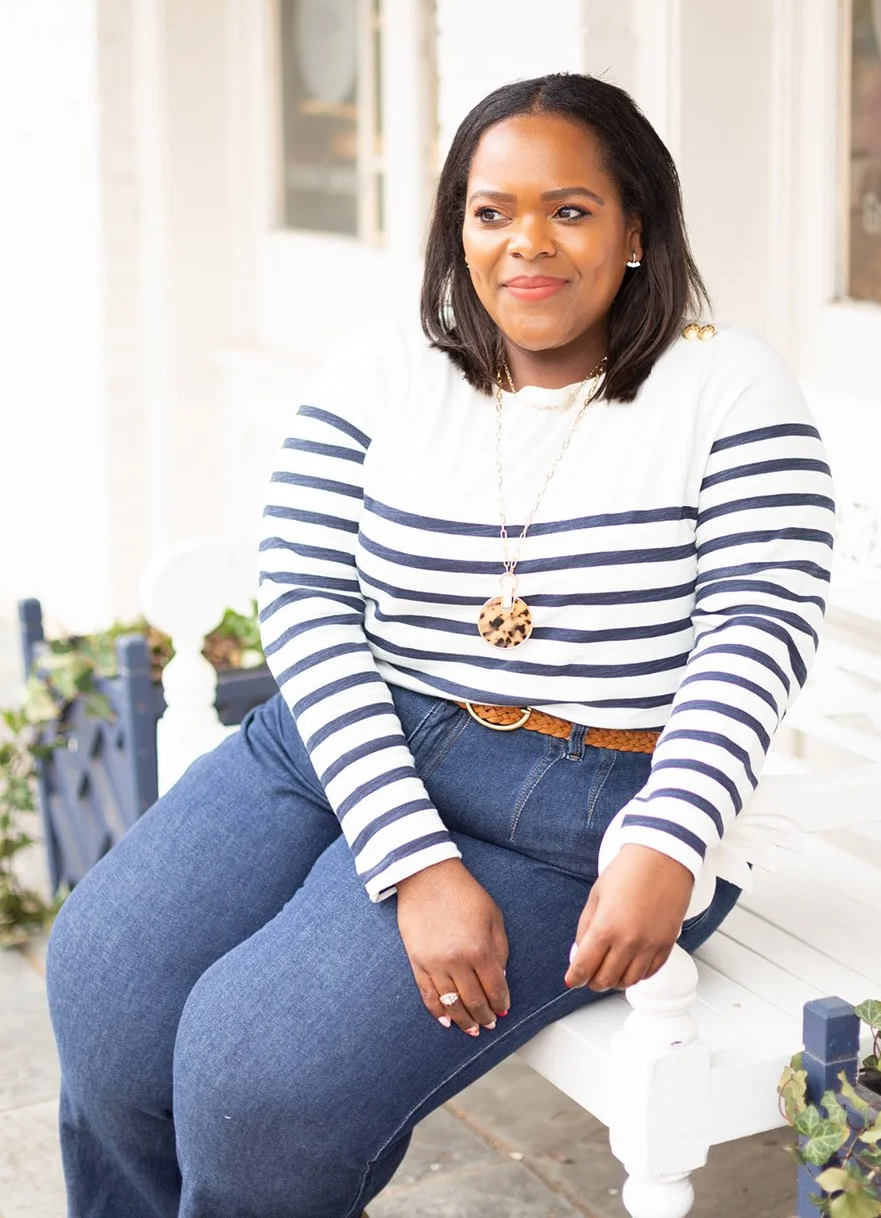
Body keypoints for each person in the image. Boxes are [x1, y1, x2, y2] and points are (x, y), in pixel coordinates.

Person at [46, 73, 835, 1217]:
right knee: (104, 987)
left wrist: (671, 836)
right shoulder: (385, 369)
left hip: (585, 803)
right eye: (490, 210)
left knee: (254, 1082)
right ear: (455, 228)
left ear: (636, 230)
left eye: (570, 210)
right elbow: (305, 596)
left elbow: (759, 621)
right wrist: (412, 861)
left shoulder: (727, 386)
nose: (527, 242)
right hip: (349, 730)